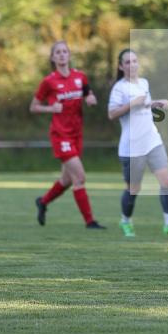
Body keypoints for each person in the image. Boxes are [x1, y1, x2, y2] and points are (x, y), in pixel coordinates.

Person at [108, 48, 168, 238]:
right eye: (127, 62)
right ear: (121, 66)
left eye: (135, 61)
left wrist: (156, 104)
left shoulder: (144, 83)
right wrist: (132, 103)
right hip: (132, 146)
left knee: (167, 181)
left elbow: (144, 107)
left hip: (152, 140)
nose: (132, 65)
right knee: (134, 188)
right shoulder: (119, 88)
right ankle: (125, 221)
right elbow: (112, 114)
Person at [30, 40, 105, 229]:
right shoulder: (49, 81)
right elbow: (34, 107)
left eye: (65, 51)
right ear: (53, 57)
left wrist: (90, 99)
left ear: (69, 55)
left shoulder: (80, 77)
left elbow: (88, 94)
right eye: (58, 52)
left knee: (67, 180)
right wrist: (51, 108)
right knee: (79, 177)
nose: (62, 55)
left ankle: (43, 202)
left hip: (77, 134)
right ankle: (90, 222)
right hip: (60, 135)